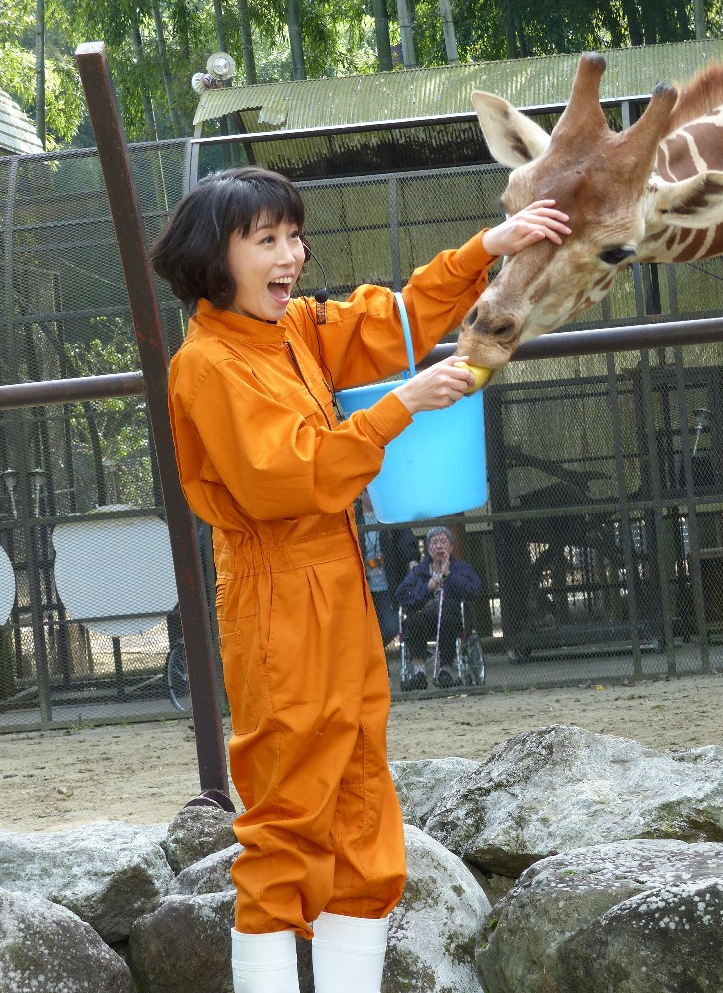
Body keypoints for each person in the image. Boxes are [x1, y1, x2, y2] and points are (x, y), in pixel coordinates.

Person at [149, 165, 570, 993]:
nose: (291, 255)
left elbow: (394, 317)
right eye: (265, 240)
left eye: (293, 237)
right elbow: (284, 476)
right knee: (287, 822)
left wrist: (492, 245)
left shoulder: (292, 330)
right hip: (278, 598)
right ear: (212, 258)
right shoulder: (206, 364)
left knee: (360, 806)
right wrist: (399, 406)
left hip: (338, 586)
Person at [394, 525, 481, 689]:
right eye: (434, 543)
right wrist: (427, 589)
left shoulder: (461, 568)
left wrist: (450, 576)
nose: (439, 546)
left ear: (451, 547)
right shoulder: (418, 572)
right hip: (424, 618)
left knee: (448, 612)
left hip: (450, 619)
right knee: (414, 620)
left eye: (443, 542)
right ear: (428, 549)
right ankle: (419, 673)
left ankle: (445, 670)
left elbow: (473, 590)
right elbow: (401, 594)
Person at [357, 488, 419, 647]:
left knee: (391, 626)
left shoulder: (388, 516)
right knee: (362, 628)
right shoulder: (353, 517)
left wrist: (411, 558)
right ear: (360, 494)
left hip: (386, 583)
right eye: (368, 492)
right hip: (361, 586)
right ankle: (377, 665)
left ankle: (376, 655)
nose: (373, 497)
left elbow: (405, 537)